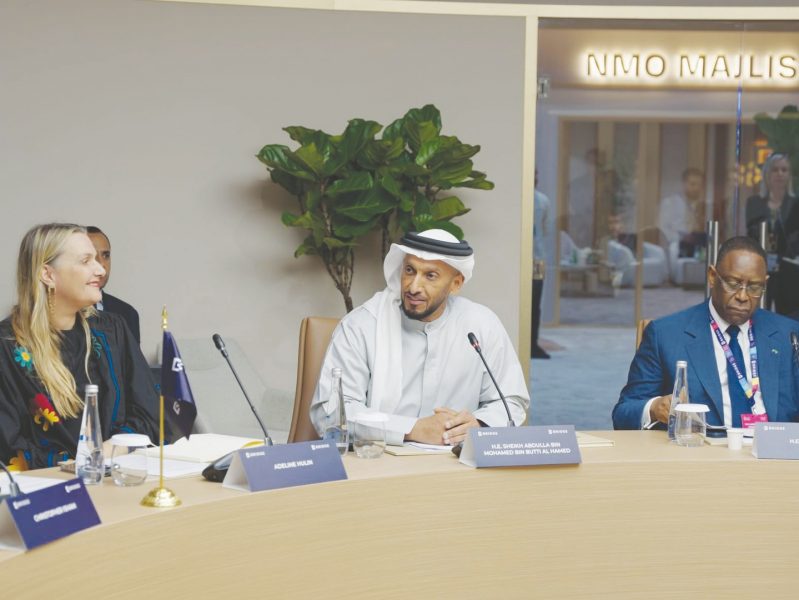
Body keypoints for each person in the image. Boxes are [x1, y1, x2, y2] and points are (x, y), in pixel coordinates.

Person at [310, 229, 530, 446]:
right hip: (381, 457)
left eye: (430, 276)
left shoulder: (482, 324)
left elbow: (511, 400)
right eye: (409, 270)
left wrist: (478, 425)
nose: (414, 287)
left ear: (456, 284)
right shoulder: (361, 326)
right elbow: (330, 414)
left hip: (456, 461)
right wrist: (412, 429)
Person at [0, 224, 158, 470]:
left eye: (98, 259)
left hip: (117, 475)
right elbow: (9, 446)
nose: (100, 269)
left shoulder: (112, 330)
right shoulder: (7, 345)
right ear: (47, 275)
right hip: (47, 486)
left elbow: (150, 415)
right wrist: (77, 464)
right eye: (86, 261)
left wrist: (106, 451)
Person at [613, 236, 799, 430]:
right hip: (703, 446)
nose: (743, 296)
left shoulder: (789, 335)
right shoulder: (665, 335)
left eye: (754, 287)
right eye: (733, 284)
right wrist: (654, 408)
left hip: (774, 447)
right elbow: (623, 413)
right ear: (712, 276)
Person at [745, 153, 799, 315]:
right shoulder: (754, 203)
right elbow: (750, 235)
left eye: (784, 170)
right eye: (775, 170)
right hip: (760, 268)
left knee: (789, 318)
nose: (780, 174)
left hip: (788, 270)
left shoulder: (796, 204)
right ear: (767, 174)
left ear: (789, 175)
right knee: (757, 316)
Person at [86, 225, 141, 343]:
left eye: (106, 255)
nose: (101, 263)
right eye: (91, 256)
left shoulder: (127, 314)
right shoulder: (59, 312)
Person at [658, 167, 706, 254]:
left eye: (699, 185)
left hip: (697, 250)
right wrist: (682, 238)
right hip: (676, 250)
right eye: (693, 184)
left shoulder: (703, 206)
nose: (696, 188)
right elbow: (662, 229)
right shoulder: (670, 203)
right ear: (684, 184)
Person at [532, 170, 552, 359]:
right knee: (532, 302)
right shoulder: (542, 200)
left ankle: (532, 343)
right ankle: (530, 343)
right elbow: (545, 230)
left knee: (535, 302)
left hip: (537, 259)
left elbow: (545, 229)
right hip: (534, 257)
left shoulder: (543, 201)